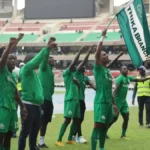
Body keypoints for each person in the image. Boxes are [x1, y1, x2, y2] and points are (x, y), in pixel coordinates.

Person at [18, 41, 56, 150]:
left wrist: (47, 50)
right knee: (25, 132)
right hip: (28, 104)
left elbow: (39, 60)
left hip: (36, 105)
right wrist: (46, 49)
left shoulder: (33, 73)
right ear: (30, 61)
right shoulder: (26, 69)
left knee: (34, 131)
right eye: (35, 60)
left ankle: (33, 147)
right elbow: (37, 60)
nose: (38, 63)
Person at [90, 29, 118, 150]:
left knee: (105, 127)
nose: (107, 55)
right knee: (98, 126)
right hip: (100, 102)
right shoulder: (98, 69)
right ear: (99, 59)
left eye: (106, 54)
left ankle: (101, 148)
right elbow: (97, 54)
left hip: (107, 103)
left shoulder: (107, 71)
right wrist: (102, 37)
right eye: (104, 55)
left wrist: (113, 104)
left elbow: (109, 90)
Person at [107, 65, 150, 139]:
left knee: (126, 117)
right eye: (124, 69)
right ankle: (103, 132)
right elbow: (113, 92)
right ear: (120, 71)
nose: (126, 70)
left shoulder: (128, 78)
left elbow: (139, 80)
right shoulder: (120, 79)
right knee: (114, 119)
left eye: (126, 68)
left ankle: (123, 135)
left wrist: (148, 77)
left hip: (124, 102)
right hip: (117, 102)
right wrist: (113, 104)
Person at [0, 35, 27, 150]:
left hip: (12, 109)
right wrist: (11, 45)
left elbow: (15, 92)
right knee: (1, 136)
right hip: (2, 108)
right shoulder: (2, 71)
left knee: (9, 136)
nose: (12, 61)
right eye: (10, 59)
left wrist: (22, 106)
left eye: (14, 59)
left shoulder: (14, 76)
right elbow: (3, 58)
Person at [55, 46, 84, 147]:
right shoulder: (67, 73)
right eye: (74, 67)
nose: (75, 67)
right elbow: (73, 64)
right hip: (70, 99)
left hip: (76, 100)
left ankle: (69, 139)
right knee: (67, 120)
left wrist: (78, 84)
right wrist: (79, 51)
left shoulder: (74, 76)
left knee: (76, 120)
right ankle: (58, 140)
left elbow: (79, 87)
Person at [72, 46, 96, 143]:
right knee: (77, 118)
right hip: (76, 99)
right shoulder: (76, 73)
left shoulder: (85, 77)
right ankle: (79, 136)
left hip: (82, 100)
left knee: (80, 119)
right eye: (82, 65)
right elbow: (84, 62)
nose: (84, 66)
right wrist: (89, 52)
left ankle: (73, 135)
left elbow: (93, 85)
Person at [38, 37, 56, 148]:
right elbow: (44, 57)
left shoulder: (51, 71)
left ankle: (41, 142)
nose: (52, 59)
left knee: (45, 122)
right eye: (50, 58)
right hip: (43, 99)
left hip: (49, 99)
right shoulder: (43, 67)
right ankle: (33, 141)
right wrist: (48, 47)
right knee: (40, 121)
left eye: (53, 58)